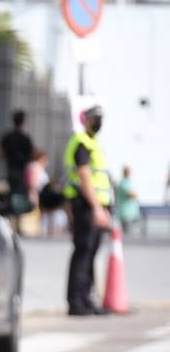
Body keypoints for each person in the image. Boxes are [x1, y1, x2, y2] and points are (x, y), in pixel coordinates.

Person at [63, 105, 114, 316]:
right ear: (86, 120)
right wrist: (96, 208)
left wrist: (104, 208)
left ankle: (86, 299)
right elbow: (84, 177)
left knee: (91, 252)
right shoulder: (82, 143)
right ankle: (76, 301)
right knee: (83, 252)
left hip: (96, 206)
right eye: (95, 118)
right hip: (85, 205)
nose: (98, 122)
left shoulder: (93, 144)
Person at [0, 110, 35, 219]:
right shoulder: (26, 138)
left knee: (12, 194)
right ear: (23, 121)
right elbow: (31, 155)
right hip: (21, 171)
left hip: (10, 169)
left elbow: (1, 153)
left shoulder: (7, 136)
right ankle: (19, 220)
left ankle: (12, 220)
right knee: (20, 195)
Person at [115, 165, 142, 237]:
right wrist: (136, 194)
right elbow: (130, 194)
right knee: (127, 234)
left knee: (130, 232)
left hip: (131, 213)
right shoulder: (123, 183)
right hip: (125, 213)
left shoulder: (128, 182)